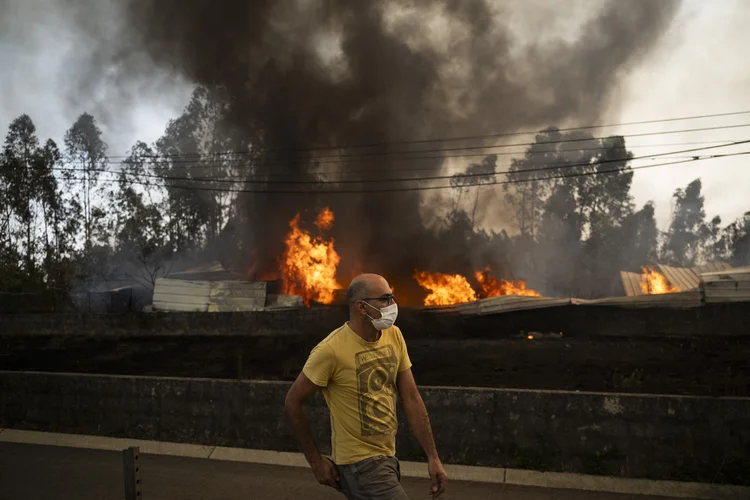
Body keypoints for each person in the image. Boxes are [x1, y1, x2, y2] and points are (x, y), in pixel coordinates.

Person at [285, 273, 447, 499]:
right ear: (361, 307)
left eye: (392, 297)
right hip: (360, 465)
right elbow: (293, 401)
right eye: (385, 299)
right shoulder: (330, 350)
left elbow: (411, 397)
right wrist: (315, 461)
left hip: (388, 456)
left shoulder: (394, 335)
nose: (393, 305)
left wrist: (433, 457)